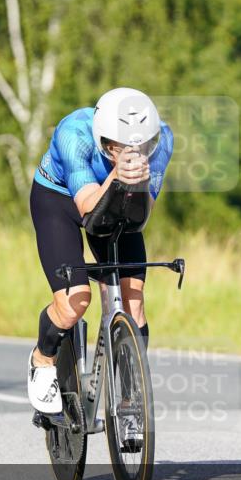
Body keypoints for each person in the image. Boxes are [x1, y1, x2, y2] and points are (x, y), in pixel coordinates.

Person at [27, 87, 174, 413]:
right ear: (102, 140)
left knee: (133, 303)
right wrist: (118, 176)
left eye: (142, 146)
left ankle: (129, 402)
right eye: (120, 147)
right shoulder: (73, 134)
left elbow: (141, 215)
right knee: (74, 302)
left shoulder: (162, 139)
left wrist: (134, 184)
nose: (135, 152)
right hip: (60, 200)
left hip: (118, 201)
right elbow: (89, 208)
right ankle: (42, 358)